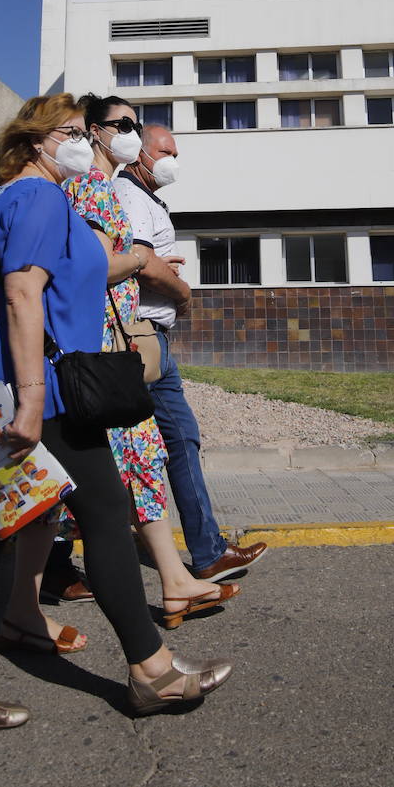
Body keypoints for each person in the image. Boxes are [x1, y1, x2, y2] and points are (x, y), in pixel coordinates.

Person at [0, 93, 232, 733]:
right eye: (72, 132)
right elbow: (23, 292)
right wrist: (31, 402)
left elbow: (68, 276)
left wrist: (136, 261)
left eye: (87, 132)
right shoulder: (37, 198)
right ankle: (153, 671)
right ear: (35, 142)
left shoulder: (25, 201)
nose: (86, 141)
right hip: (44, 393)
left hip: (18, 389)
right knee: (106, 515)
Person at [62, 93, 240, 628]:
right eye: (124, 126)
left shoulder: (111, 191)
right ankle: (40, 590)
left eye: (136, 127)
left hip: (121, 338)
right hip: (101, 345)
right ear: (95, 131)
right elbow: (94, 267)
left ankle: (175, 579)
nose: (132, 136)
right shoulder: (91, 188)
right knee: (108, 466)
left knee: (141, 454)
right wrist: (146, 262)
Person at [115, 125, 268, 582]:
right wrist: (181, 292)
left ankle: (206, 550)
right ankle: (207, 552)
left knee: (170, 441)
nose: (172, 160)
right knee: (178, 438)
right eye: (165, 151)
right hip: (142, 336)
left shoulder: (147, 198)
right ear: (138, 153)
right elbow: (142, 262)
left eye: (176, 153)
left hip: (151, 336)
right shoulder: (131, 196)